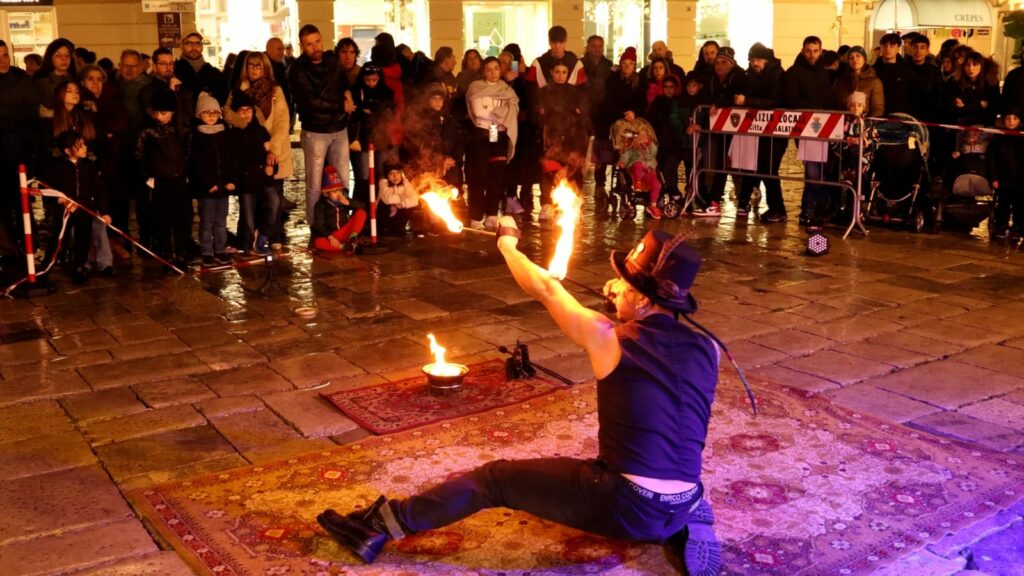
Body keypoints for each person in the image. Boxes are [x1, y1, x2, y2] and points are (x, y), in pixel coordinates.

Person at [317, 223, 723, 576]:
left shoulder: (607, 337)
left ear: (646, 299)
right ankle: (683, 519)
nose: (613, 286)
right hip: (684, 496)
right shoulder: (710, 349)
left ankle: (381, 526)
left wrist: (507, 244)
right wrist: (622, 303)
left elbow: (547, 288)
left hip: (626, 502)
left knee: (495, 479)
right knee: (668, 447)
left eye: (623, 283)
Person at [224, 51, 291, 251]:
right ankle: (247, 238)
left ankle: (273, 235)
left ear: (265, 68)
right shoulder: (239, 89)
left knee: (274, 196)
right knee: (249, 200)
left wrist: (272, 147)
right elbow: (227, 112)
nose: (253, 69)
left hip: (272, 151)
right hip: (249, 154)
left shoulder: (275, 90)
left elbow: (281, 121)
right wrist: (245, 127)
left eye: (258, 66)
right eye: (250, 65)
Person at [290, 24, 354, 225]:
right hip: (315, 131)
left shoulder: (332, 61)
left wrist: (347, 93)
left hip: (339, 128)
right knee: (314, 184)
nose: (315, 47)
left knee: (343, 179)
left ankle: (341, 222)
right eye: (309, 44)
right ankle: (316, 227)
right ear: (302, 46)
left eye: (317, 41)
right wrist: (341, 105)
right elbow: (311, 102)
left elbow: (342, 83)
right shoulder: (297, 70)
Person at [136, 89, 190, 269]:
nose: (160, 117)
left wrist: (186, 173)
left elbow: (188, 154)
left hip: (179, 180)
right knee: (163, 219)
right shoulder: (149, 132)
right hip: (160, 181)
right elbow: (139, 155)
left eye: (164, 113)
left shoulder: (181, 131)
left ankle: (181, 253)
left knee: (182, 218)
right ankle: (167, 254)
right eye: (157, 113)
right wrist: (147, 177)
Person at [784, 36, 834, 226]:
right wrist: (815, 108)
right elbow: (792, 99)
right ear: (803, 50)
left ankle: (812, 208)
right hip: (806, 127)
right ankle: (817, 205)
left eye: (815, 50)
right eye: (808, 50)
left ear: (820, 51)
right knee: (813, 170)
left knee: (819, 169)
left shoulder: (825, 73)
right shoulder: (795, 72)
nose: (812, 54)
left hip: (826, 127)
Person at [49, 130, 110, 283]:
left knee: (83, 239)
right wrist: (60, 200)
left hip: (84, 209)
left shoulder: (89, 166)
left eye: (84, 144)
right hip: (65, 211)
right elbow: (49, 189)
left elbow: (99, 189)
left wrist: (104, 211)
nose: (85, 148)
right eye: (79, 146)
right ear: (67, 150)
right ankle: (47, 267)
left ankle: (80, 266)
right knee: (58, 239)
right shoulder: (57, 167)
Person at [465, 57, 519, 229]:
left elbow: (514, 109)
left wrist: (494, 110)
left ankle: (492, 213)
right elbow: (479, 112)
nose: (493, 72)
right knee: (479, 175)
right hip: (482, 133)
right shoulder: (476, 87)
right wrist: (502, 111)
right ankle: (475, 216)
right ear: (483, 71)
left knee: (496, 174)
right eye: (489, 69)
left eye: (496, 68)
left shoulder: (506, 89)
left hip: (497, 132)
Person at [737, 43, 786, 222]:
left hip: (775, 131)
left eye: (757, 59)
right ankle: (744, 202)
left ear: (766, 60)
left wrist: (747, 100)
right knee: (752, 165)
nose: (754, 63)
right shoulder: (750, 75)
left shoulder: (777, 74)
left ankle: (778, 208)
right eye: (751, 60)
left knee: (769, 168)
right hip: (756, 129)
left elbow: (775, 100)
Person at [0, 40, 39, 259]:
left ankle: (29, 245)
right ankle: (9, 247)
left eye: (5, 55)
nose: (2, 60)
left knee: (22, 202)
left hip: (19, 154)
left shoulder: (21, 80)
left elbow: (30, 114)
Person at [535, 61, 589, 217]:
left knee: (573, 170)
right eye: (557, 71)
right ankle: (546, 203)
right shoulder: (544, 92)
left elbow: (582, 114)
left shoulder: (575, 93)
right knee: (548, 170)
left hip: (572, 137)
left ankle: (574, 204)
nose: (560, 75)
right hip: (551, 138)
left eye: (564, 72)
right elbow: (539, 115)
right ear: (552, 73)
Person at [189, 92, 237, 266]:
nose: (211, 117)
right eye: (207, 113)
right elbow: (197, 164)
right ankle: (207, 251)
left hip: (223, 187)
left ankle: (220, 249)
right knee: (207, 221)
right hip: (207, 188)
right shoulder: (197, 136)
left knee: (220, 221)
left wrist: (231, 180)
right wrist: (208, 183)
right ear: (200, 115)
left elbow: (231, 159)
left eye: (214, 113)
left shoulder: (225, 133)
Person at [611, 110, 661, 219]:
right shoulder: (631, 150)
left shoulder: (649, 149)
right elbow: (625, 155)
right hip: (636, 170)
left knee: (656, 184)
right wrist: (622, 162)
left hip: (648, 169)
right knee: (638, 164)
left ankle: (652, 205)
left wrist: (649, 143)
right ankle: (637, 182)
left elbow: (654, 152)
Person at [310, 166, 366, 253]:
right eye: (334, 192)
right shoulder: (321, 205)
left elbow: (362, 206)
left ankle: (352, 239)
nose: (338, 194)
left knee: (361, 213)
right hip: (332, 235)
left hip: (346, 231)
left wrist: (348, 203)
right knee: (318, 243)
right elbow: (319, 226)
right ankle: (343, 247)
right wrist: (330, 236)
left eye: (339, 191)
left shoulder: (344, 200)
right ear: (327, 193)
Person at [988, 108, 1024, 239]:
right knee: (1003, 203)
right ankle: (1001, 226)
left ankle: (1018, 228)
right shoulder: (998, 137)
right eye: (1008, 118)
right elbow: (991, 158)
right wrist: (993, 177)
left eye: (1015, 118)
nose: (1011, 121)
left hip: (1020, 178)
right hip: (1003, 178)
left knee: (1019, 204)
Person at [174, 32, 228, 105]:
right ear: (182, 46)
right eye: (189, 44)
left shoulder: (213, 72)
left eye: (197, 44)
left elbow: (222, 98)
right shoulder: (174, 70)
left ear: (202, 47)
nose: (194, 47)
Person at [872, 32, 914, 116]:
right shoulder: (873, 71)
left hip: (901, 116)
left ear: (898, 48)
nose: (887, 49)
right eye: (884, 46)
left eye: (892, 46)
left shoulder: (907, 70)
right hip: (878, 116)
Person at [377, 162, 419, 235]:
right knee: (385, 206)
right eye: (391, 173)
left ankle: (399, 228)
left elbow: (415, 200)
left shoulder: (405, 182)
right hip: (384, 213)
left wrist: (402, 204)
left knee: (408, 207)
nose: (395, 176)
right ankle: (384, 229)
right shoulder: (383, 183)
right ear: (387, 176)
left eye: (397, 173)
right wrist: (403, 196)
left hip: (398, 212)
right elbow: (388, 199)